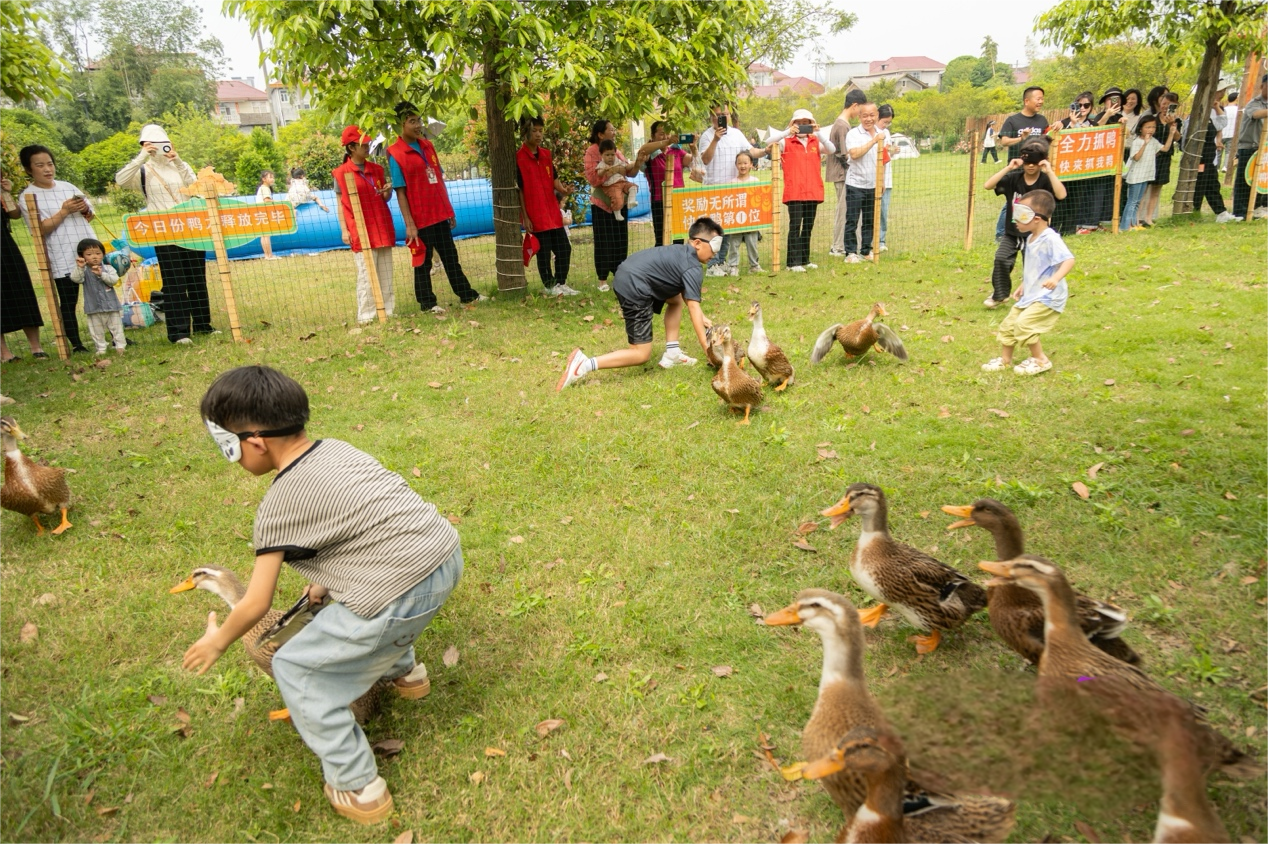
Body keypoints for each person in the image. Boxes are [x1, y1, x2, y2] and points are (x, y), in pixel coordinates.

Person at [185, 365, 461, 825]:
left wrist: (218, 641)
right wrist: (325, 580)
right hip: (443, 556)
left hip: (400, 591)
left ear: (253, 443)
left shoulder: (277, 506)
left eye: (226, 447)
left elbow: (254, 603)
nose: (230, 459)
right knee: (359, 597)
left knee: (296, 667)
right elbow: (363, 523)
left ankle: (358, 786)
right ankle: (408, 675)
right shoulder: (338, 450)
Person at [556, 217, 721, 389]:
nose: (716, 253)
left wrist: (702, 316)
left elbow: (687, 297)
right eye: (714, 246)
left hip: (630, 274)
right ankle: (583, 365)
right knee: (641, 354)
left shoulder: (682, 252)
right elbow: (693, 306)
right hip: (634, 285)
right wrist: (708, 350)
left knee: (675, 300)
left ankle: (672, 353)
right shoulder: (693, 267)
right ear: (697, 243)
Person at [116, 123, 215, 344]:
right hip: (163, 231)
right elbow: (120, 180)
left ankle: (202, 324)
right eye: (153, 144)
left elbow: (196, 186)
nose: (160, 149)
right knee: (174, 281)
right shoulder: (143, 170)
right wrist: (142, 156)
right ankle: (179, 332)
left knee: (197, 278)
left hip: (190, 228)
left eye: (164, 144)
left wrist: (177, 160)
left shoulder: (179, 165)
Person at [387, 101, 485, 314]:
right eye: (412, 121)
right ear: (400, 125)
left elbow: (438, 179)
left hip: (439, 214)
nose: (418, 125)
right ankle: (427, 304)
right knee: (423, 263)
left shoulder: (427, 146)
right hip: (420, 219)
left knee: (451, 258)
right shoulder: (395, 154)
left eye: (419, 120)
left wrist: (448, 210)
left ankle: (467, 295)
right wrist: (410, 224)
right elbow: (400, 191)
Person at [980, 190, 1074, 377]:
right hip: (1032, 293)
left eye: (1021, 216)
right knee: (1008, 325)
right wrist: (1024, 284)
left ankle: (1040, 359)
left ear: (1037, 218)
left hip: (1048, 297)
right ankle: (1005, 360)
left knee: (1024, 324)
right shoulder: (1030, 238)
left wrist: (1055, 279)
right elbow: (1034, 267)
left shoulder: (1050, 238)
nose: (1016, 221)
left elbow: (1068, 260)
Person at [18, 145, 93, 353]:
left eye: (49, 164)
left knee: (100, 294)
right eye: (40, 165)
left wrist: (84, 208)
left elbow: (90, 214)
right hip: (61, 254)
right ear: (28, 169)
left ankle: (114, 337)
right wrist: (64, 211)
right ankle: (76, 343)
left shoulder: (68, 187)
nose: (47, 169)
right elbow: (38, 229)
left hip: (88, 247)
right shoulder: (28, 196)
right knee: (69, 301)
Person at [982, 138, 1067, 306]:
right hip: (1012, 232)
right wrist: (1008, 167)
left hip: (1036, 235)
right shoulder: (1014, 179)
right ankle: (1000, 294)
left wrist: (1049, 171)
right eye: (1027, 162)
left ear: (1042, 162)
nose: (1030, 166)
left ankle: (1034, 296)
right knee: (1001, 259)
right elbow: (988, 185)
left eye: (1035, 163)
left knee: (1034, 267)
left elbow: (1061, 195)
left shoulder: (1045, 181)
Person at [332, 125, 397, 324]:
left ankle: (387, 310)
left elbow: (384, 198)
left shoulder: (376, 169)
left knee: (385, 270)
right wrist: (344, 229)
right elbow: (340, 204)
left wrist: (387, 191)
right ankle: (367, 315)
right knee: (366, 274)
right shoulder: (341, 173)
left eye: (368, 142)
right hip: (360, 228)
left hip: (381, 224)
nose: (368, 145)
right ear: (351, 148)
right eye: (363, 143)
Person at [696, 105, 769, 269]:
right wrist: (715, 139)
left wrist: (766, 150)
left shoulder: (736, 134)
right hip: (714, 189)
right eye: (717, 114)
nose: (721, 117)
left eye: (725, 114)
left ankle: (722, 262)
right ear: (711, 116)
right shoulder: (707, 136)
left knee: (728, 229)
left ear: (729, 115)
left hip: (734, 189)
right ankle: (713, 264)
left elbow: (752, 151)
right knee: (714, 231)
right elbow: (705, 160)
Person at [516, 117, 578, 297]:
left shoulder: (546, 154)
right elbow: (520, 190)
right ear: (525, 131)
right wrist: (525, 217)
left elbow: (555, 181)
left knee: (564, 248)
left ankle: (561, 282)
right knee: (543, 253)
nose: (538, 134)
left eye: (540, 130)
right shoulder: (518, 158)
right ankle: (549, 286)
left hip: (551, 212)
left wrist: (564, 190)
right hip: (535, 214)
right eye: (534, 130)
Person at [583, 119, 650, 285]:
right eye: (611, 130)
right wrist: (614, 170)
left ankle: (620, 276)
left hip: (620, 202)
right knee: (604, 242)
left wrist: (639, 161)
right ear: (600, 134)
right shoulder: (591, 152)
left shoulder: (616, 151)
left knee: (620, 240)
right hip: (602, 204)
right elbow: (593, 179)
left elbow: (630, 172)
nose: (614, 132)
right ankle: (602, 280)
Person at [770, 108, 835, 272]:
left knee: (808, 226)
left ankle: (805, 259)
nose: (802, 126)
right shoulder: (786, 142)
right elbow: (769, 142)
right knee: (795, 226)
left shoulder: (815, 141)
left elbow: (832, 149)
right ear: (793, 124)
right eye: (799, 123)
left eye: (806, 123)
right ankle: (792, 262)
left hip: (812, 190)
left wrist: (818, 133)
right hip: (794, 192)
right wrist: (787, 132)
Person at [0, 172, 47, 363]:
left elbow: (15, 214)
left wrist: (5, 192)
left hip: (4, 243)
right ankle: (4, 353)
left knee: (21, 288)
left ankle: (36, 347)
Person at [998, 87, 1049, 238]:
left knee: (1032, 200)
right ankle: (1001, 233)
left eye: (1042, 98)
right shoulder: (1013, 121)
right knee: (1013, 201)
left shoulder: (1042, 120)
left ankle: (1029, 229)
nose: (1041, 101)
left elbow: (1048, 138)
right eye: (1038, 98)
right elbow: (1004, 142)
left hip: (1036, 168)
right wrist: (1021, 138)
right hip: (1017, 168)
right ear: (1027, 101)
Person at [826, 89, 869, 256]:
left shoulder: (840, 124)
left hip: (841, 174)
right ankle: (838, 246)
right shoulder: (843, 126)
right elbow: (846, 154)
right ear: (855, 105)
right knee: (844, 211)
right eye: (861, 110)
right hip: (842, 174)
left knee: (845, 209)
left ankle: (841, 245)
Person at [70, 237, 125, 355]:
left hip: (111, 305)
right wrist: (79, 267)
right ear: (82, 256)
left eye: (98, 253)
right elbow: (75, 279)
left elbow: (114, 280)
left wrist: (102, 274)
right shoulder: (83, 271)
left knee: (116, 327)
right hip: (93, 306)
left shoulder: (108, 268)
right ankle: (101, 348)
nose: (94, 257)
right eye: (89, 254)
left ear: (103, 254)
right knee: (96, 330)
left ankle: (120, 345)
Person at [843, 103, 883, 263]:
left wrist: (882, 181)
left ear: (877, 115)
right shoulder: (853, 134)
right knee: (852, 219)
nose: (869, 119)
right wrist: (873, 141)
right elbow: (854, 154)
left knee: (869, 220)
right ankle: (850, 252)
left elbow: (884, 159)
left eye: (872, 115)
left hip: (873, 184)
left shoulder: (882, 133)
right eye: (865, 115)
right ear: (859, 117)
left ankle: (866, 250)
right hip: (855, 184)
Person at [1121, 116, 1173, 230]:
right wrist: (1144, 144)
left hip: (1145, 175)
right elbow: (1136, 157)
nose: (1151, 129)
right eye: (1148, 127)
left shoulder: (1154, 141)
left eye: (1153, 127)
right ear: (1141, 128)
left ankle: (1134, 224)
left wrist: (1171, 134)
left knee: (1137, 201)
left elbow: (1165, 148)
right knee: (1132, 202)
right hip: (1136, 176)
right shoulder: (1137, 142)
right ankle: (1125, 226)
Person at [644, 121, 691, 247]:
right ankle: (661, 266)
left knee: (678, 238)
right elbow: (642, 152)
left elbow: (694, 160)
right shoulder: (650, 153)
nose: (666, 137)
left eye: (668, 134)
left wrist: (694, 147)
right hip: (659, 201)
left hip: (678, 199)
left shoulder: (676, 151)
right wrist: (666, 142)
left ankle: (676, 265)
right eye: (661, 134)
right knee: (660, 240)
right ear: (653, 136)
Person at [1187, 101, 1235, 223]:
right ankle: (1195, 211)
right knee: (1201, 184)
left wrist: (1218, 140)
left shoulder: (1218, 110)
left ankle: (1221, 212)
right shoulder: (1200, 110)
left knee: (1212, 184)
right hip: (1199, 156)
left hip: (1210, 157)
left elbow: (1221, 127)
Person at [1142, 92, 1182, 227]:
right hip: (1150, 157)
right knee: (1144, 187)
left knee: (1156, 189)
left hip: (1165, 158)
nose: (1165, 107)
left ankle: (1148, 218)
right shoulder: (1152, 119)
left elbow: (1178, 138)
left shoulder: (1177, 121)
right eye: (1164, 104)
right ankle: (1137, 218)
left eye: (1170, 105)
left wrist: (1172, 126)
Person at [719, 152, 763, 276]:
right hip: (736, 221)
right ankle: (733, 266)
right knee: (734, 243)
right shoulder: (731, 183)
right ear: (736, 165)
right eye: (739, 163)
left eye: (745, 163)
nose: (742, 166)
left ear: (751, 165)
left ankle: (754, 265)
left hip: (751, 219)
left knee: (752, 243)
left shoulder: (755, 181)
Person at [1232, 73, 1268, 221]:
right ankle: (1240, 212)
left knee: (1261, 179)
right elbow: (1256, 114)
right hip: (1249, 147)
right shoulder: (1254, 103)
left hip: (1264, 149)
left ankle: (1257, 208)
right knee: (1244, 180)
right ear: (1262, 86)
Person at [594, 140, 637, 221]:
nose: (610, 157)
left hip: (622, 182)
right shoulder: (602, 164)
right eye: (607, 155)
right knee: (617, 199)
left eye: (612, 154)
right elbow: (599, 173)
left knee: (633, 187)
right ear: (601, 155)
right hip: (611, 186)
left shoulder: (617, 160)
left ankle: (631, 201)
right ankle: (617, 213)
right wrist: (604, 170)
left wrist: (635, 163)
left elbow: (626, 167)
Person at [876, 104, 897, 252]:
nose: (886, 125)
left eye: (888, 123)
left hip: (887, 178)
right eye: (884, 122)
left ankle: (881, 239)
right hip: (874, 178)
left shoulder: (887, 133)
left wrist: (892, 151)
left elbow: (887, 154)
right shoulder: (870, 133)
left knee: (883, 210)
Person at [255, 171, 280, 260]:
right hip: (263, 213)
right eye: (270, 177)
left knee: (264, 235)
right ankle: (269, 255)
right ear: (264, 179)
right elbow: (267, 200)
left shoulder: (263, 188)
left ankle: (268, 255)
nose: (272, 179)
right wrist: (278, 202)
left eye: (273, 177)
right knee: (266, 235)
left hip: (260, 213)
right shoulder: (265, 188)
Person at [1221, 91, 1238, 176]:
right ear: (1236, 98)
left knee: (1218, 150)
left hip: (1222, 132)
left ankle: (1216, 166)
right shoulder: (1238, 110)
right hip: (1232, 133)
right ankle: (1225, 166)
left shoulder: (1224, 109)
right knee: (1229, 151)